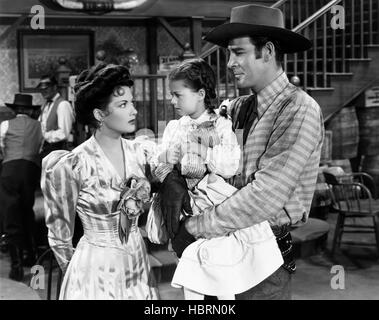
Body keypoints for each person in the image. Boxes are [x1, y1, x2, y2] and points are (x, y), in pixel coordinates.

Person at [162, 4, 325, 300]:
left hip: (262, 261)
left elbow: (266, 195)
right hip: (218, 250)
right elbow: (191, 142)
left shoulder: (299, 109)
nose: (229, 63)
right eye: (228, 54)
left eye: (238, 52)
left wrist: (193, 227)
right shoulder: (235, 108)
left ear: (268, 51)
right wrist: (172, 178)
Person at [149, 58, 283, 300]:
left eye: (178, 95)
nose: (172, 101)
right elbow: (158, 164)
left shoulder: (220, 126)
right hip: (183, 201)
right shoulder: (174, 127)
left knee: (219, 266)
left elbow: (231, 164)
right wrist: (167, 160)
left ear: (200, 94)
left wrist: (205, 153)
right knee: (192, 263)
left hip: (212, 197)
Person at [41, 63, 159, 300]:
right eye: (123, 104)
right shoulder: (75, 164)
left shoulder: (141, 152)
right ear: (99, 115)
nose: (134, 111)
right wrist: (77, 275)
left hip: (137, 259)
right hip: (95, 268)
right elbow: (60, 235)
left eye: (132, 102)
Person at [0, 94, 43, 281]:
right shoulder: (40, 126)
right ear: (29, 109)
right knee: (27, 212)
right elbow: (39, 149)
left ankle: (16, 267)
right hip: (30, 171)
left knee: (11, 215)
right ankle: (33, 258)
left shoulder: (5, 125)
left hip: (9, 170)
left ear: (15, 110)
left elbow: (1, 148)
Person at [37, 75, 74, 159]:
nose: (43, 91)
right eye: (41, 89)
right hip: (45, 150)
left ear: (54, 87)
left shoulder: (63, 105)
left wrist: (44, 135)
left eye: (46, 88)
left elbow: (63, 133)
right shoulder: (45, 106)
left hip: (58, 150)